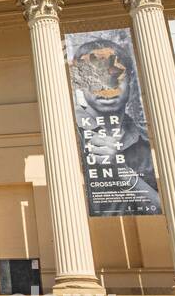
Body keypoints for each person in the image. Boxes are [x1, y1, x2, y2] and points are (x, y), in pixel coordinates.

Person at [68, 36, 161, 214]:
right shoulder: (69, 136)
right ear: (80, 85)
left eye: (115, 76)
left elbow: (164, 208)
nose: (106, 88)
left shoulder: (147, 140)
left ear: (131, 81)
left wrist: (120, 170)